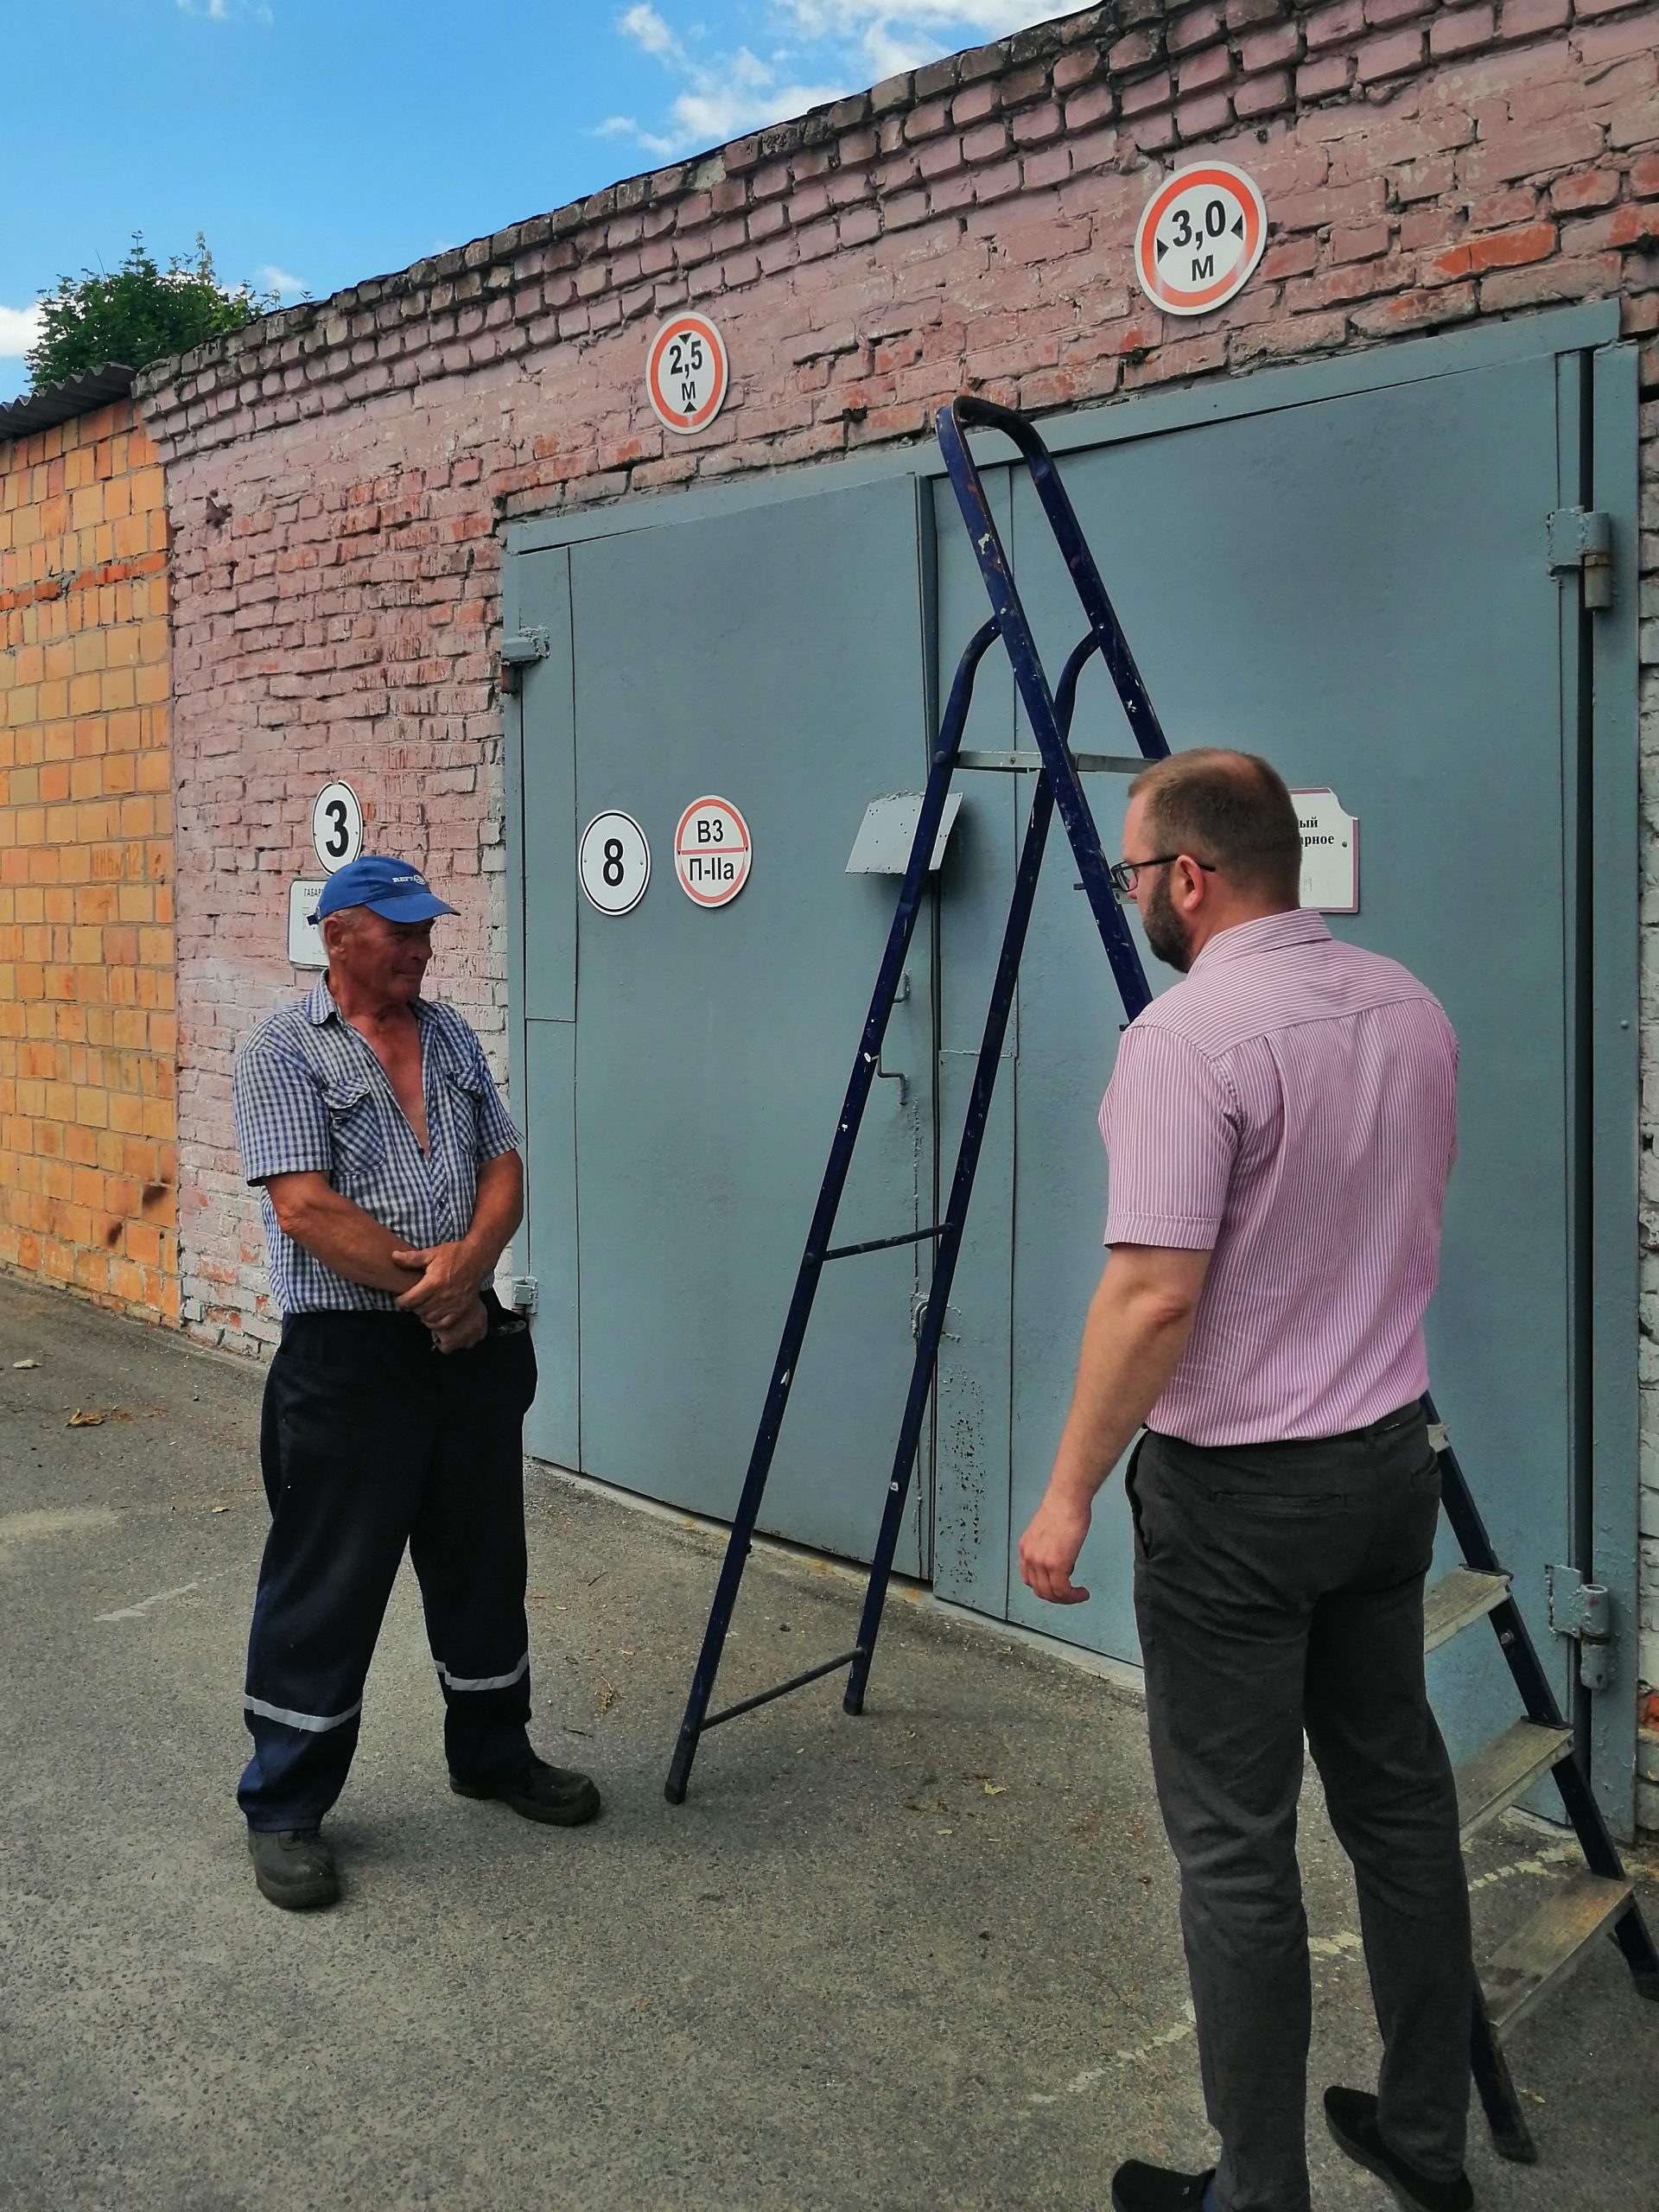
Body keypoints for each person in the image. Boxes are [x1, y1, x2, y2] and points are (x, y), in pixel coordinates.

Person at [1018, 753, 1471, 2212]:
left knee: (1235, 1845)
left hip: (1240, 1501)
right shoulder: (1413, 1009)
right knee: (1398, 1804)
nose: (1134, 895)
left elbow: (1153, 1296)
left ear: (1190, 880)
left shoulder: (1187, 1037)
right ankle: (1424, 2140)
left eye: (1132, 874)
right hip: (1391, 1466)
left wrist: (1070, 1490)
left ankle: (1258, 2194)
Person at [232, 854, 600, 1912]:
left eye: (428, 929)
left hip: (467, 1343)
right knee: (327, 1583)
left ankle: (492, 1749)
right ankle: (286, 1804)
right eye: (401, 929)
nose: (424, 946)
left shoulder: (444, 1035)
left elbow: (503, 1162)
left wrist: (472, 1265)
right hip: (350, 1359)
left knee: (483, 1559)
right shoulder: (281, 1051)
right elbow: (305, 1207)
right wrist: (434, 1291)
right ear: (338, 934)